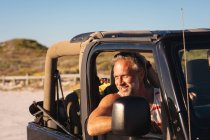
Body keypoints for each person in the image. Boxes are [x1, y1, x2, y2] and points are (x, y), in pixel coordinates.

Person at [87, 52, 162, 136]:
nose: (119, 82)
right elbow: (91, 127)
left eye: (125, 76)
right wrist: (129, 121)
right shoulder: (114, 99)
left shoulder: (161, 97)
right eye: (116, 77)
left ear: (141, 75)